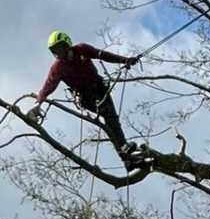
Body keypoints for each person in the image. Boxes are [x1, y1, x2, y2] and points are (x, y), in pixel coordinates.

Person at [26, 31, 142, 161]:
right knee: (106, 112)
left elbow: (103, 55)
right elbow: (48, 86)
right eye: (55, 50)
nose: (58, 53)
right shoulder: (58, 67)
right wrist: (38, 103)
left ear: (67, 45)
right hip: (85, 96)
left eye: (60, 48)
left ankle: (128, 158)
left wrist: (125, 60)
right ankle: (124, 149)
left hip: (99, 87)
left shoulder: (82, 49)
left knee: (113, 119)